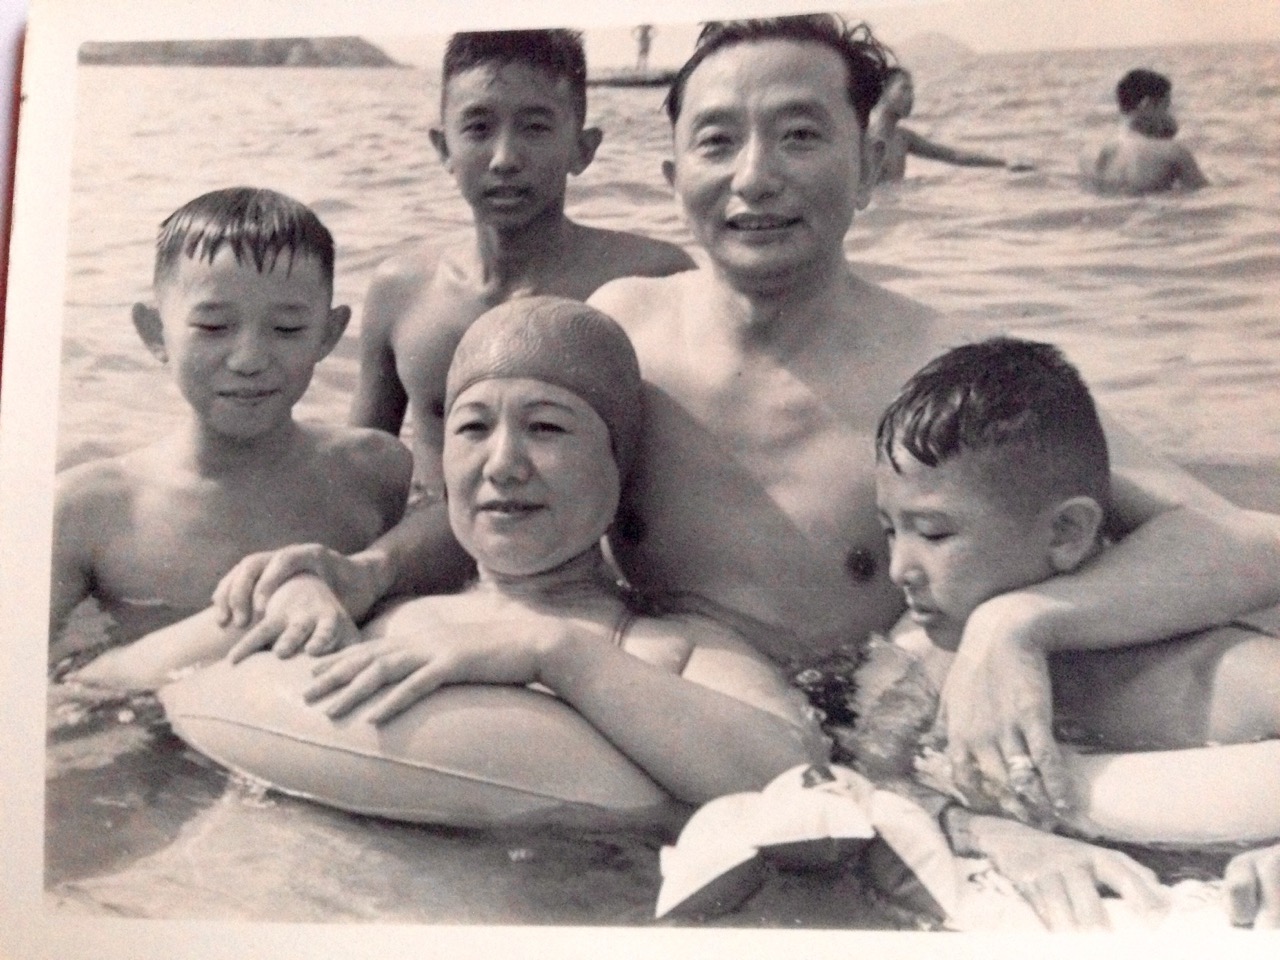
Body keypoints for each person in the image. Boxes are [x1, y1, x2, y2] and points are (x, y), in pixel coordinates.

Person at [212, 14, 1280, 926]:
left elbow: (1240, 541)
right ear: (672, 174)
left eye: (800, 135)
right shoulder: (621, 330)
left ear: (872, 160)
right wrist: (362, 571)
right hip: (700, 700)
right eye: (717, 141)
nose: (755, 178)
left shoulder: (940, 367)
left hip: (890, 713)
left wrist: (1019, 627)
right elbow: (497, 501)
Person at [90, 297, 825, 804]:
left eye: (547, 428)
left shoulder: (676, 649)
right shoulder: (368, 606)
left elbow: (809, 802)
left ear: (619, 461)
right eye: (473, 428)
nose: (502, 464)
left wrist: (552, 653)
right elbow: (97, 692)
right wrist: (272, 607)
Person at [871, 336, 1280, 929]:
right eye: (890, 530)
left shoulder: (1203, 675)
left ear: (1066, 533)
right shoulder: (927, 660)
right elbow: (872, 776)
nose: (898, 569)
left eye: (934, 534)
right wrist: (990, 834)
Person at [347, 28, 693, 587]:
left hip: (583, 587)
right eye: (478, 128)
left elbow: (681, 484)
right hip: (426, 576)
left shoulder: (649, 279)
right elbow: (359, 474)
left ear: (584, 148)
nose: (505, 158)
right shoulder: (402, 291)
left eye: (535, 127)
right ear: (442, 147)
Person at [50, 187, 411, 669]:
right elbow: (36, 681)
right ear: (155, 334)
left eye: (287, 329)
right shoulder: (90, 509)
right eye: (213, 327)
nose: (249, 360)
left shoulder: (375, 471)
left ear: (328, 335)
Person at [870, 66, 1025, 183]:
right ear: (883, 92)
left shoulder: (903, 138)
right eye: (904, 89)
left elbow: (953, 156)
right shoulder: (864, 138)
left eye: (912, 91)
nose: (911, 97)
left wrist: (1004, 162)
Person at [1080, 68, 1207, 194]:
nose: (1169, 115)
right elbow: (1203, 195)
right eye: (1165, 107)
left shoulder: (1091, 151)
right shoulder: (1173, 153)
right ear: (1147, 104)